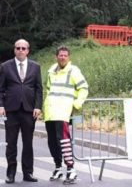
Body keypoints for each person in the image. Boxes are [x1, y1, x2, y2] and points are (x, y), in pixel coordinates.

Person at [43, 46, 89, 185]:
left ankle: (71, 169)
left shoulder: (73, 71)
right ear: (56, 57)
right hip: (50, 112)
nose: (62, 57)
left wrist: (76, 104)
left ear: (68, 57)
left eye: (65, 55)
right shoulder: (51, 71)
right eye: (60, 55)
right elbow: (49, 90)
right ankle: (58, 167)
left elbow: (84, 88)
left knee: (63, 141)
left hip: (63, 111)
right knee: (52, 142)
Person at [0, 39, 43, 184]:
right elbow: (1, 88)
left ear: (28, 50)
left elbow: (38, 89)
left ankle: (28, 173)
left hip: (29, 110)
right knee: (11, 143)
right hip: (11, 110)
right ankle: (11, 173)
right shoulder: (5, 66)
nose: (20, 50)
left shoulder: (35, 67)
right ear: (14, 50)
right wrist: (1, 105)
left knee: (28, 143)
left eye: (23, 48)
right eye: (18, 48)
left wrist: (38, 106)